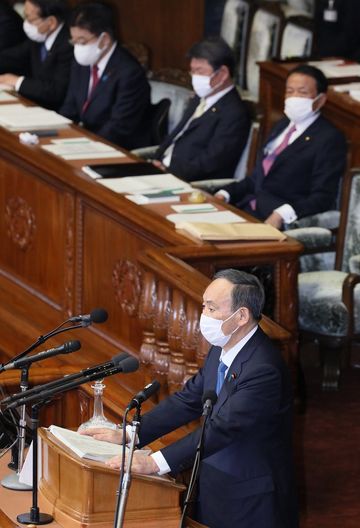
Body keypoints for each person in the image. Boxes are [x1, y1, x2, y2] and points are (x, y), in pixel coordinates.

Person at [82, 269, 298, 528]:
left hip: (251, 499)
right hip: (215, 485)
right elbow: (188, 399)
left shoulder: (264, 369)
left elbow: (223, 428)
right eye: (203, 305)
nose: (203, 315)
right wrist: (131, 435)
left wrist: (153, 463)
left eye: (212, 308)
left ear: (241, 316)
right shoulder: (222, 349)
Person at [215, 64, 347, 229]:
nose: (294, 97)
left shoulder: (329, 139)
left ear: (320, 100)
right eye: (289, 91)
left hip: (275, 221)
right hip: (247, 208)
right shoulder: (282, 125)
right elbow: (257, 178)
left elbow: (322, 197)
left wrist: (282, 214)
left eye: (302, 92)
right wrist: (225, 193)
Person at [152, 37, 251, 182]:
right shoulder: (200, 97)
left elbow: (211, 161)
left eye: (200, 71)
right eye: (192, 71)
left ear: (223, 73)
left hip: (189, 184)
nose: (194, 77)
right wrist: (155, 160)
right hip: (162, 171)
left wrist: (169, 173)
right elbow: (177, 134)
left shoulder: (235, 113)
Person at [59, 2, 152, 150]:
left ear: (105, 39)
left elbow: (118, 128)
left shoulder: (129, 73)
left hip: (118, 149)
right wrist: (57, 133)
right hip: (87, 142)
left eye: (82, 41)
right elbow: (70, 108)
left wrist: (86, 147)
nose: (77, 47)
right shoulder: (81, 63)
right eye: (73, 41)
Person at [0, 0, 72, 111]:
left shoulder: (69, 45)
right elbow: (13, 56)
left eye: (29, 19)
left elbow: (56, 91)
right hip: (34, 105)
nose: (26, 23)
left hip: (55, 112)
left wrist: (16, 81)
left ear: (51, 22)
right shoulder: (39, 37)